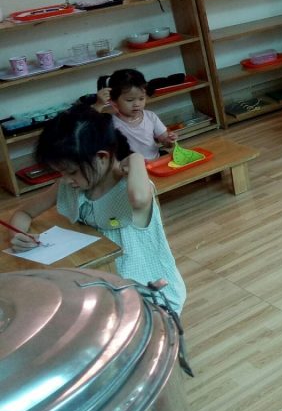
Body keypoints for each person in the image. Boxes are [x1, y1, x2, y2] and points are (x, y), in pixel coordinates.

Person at [8, 105, 186, 312]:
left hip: (149, 295)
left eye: (71, 172)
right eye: (60, 173)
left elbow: (139, 198)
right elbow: (23, 213)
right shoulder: (70, 185)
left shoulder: (131, 188)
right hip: (101, 287)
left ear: (102, 157)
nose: (66, 179)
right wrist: (18, 235)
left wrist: (136, 158)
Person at [99, 69, 176, 160]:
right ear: (114, 101)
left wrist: (169, 140)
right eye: (130, 100)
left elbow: (165, 141)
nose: (137, 104)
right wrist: (99, 104)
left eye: (141, 98)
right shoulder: (111, 124)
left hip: (155, 162)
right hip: (131, 167)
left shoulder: (150, 116)